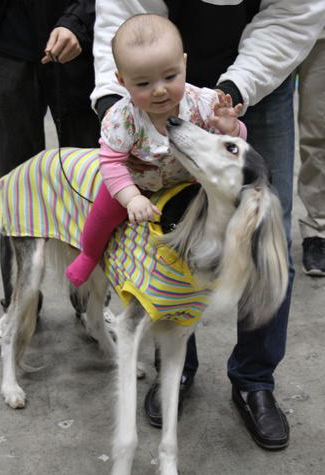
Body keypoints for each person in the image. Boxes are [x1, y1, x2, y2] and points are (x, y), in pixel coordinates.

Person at [91, 0, 325, 450]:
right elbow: (124, 13)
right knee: (170, 229)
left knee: (265, 232)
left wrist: (233, 92)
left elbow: (293, 16)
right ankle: (177, 371)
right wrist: (113, 99)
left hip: (258, 69)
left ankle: (254, 380)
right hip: (157, 73)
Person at [65, 14, 247, 287]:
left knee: (217, 215)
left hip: (188, 180)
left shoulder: (205, 103)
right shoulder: (121, 117)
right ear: (122, 81)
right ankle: (89, 255)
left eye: (170, 76)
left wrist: (232, 130)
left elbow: (233, 149)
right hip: (136, 183)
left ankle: (217, 263)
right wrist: (130, 199)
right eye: (143, 83)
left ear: (184, 64)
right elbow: (111, 163)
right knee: (102, 215)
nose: (159, 90)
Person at [0, 0, 99, 351]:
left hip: (77, 42)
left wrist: (80, 19)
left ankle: (90, 304)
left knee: (86, 186)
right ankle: (16, 303)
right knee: (15, 188)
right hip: (6, 38)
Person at [294, 25, 325, 277]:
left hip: (321, 26)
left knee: (319, 130)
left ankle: (317, 229)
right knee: (237, 121)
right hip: (259, 19)